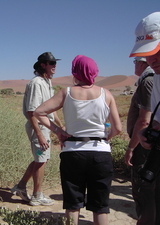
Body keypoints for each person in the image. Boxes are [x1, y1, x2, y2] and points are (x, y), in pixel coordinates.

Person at [34, 55, 122, 225]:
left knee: (73, 204)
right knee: (100, 206)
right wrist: (105, 138)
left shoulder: (66, 93)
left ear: (75, 71)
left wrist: (58, 131)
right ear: (94, 72)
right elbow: (118, 128)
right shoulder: (106, 94)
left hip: (73, 153)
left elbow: (39, 112)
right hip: (100, 154)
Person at [11, 52, 63, 206]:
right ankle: (37, 195)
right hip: (38, 127)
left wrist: (60, 126)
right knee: (41, 160)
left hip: (45, 127)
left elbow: (51, 108)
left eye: (55, 63)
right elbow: (32, 111)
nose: (54, 66)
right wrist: (39, 134)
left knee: (41, 159)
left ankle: (20, 187)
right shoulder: (36, 83)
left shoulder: (47, 82)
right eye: (51, 63)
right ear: (43, 65)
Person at [129, 12, 160, 225]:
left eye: (157, 50)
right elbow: (155, 120)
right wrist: (146, 133)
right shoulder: (157, 78)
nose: (151, 59)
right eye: (147, 54)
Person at [124, 56, 155, 225]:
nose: (134, 65)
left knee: (144, 191)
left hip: (144, 147)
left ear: (142, 62)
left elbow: (144, 120)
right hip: (149, 144)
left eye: (135, 62)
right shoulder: (152, 79)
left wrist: (130, 148)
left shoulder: (147, 81)